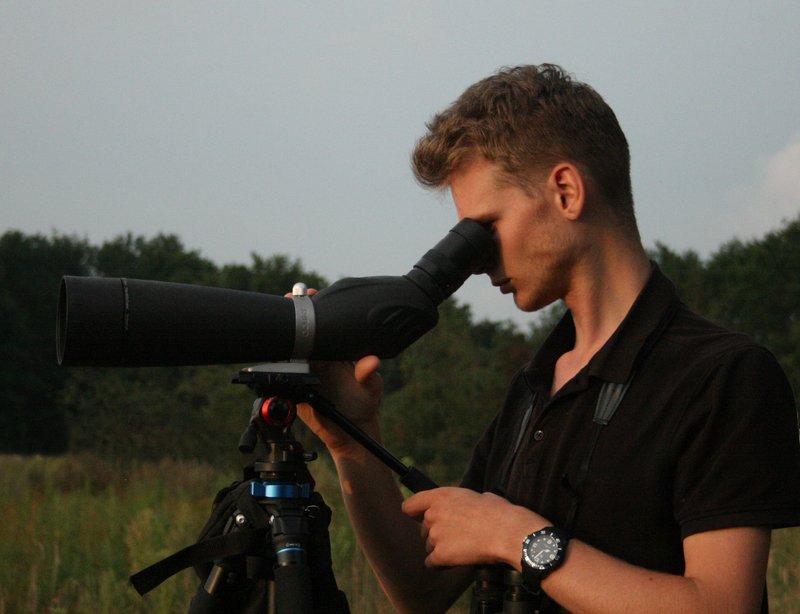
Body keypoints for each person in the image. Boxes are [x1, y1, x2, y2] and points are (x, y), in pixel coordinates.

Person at [297, 64, 800, 613]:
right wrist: (352, 440)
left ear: (565, 191)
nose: (478, 262)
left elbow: (723, 604)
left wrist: (518, 538)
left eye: (485, 228)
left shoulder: (722, 376)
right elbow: (423, 592)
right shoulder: (536, 385)